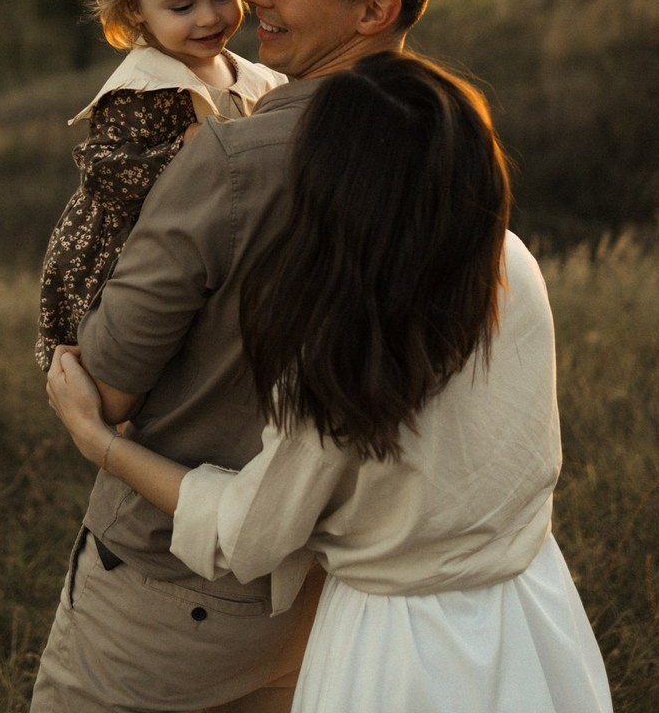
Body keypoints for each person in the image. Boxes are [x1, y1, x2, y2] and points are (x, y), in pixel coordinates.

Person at [48, 52, 613, 712]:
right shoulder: (513, 264)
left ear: (338, 185)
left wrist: (101, 444)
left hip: (398, 646)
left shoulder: (345, 345)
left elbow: (250, 531)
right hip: (532, 610)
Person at [29, 0, 451, 712]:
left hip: (165, 590)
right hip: (315, 589)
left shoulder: (231, 158)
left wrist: (91, 423)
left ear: (374, 10)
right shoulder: (438, 143)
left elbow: (104, 386)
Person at [36, 0, 285, 371]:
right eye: (182, 7)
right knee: (138, 364)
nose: (209, 18)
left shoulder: (252, 76)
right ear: (135, 10)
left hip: (207, 247)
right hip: (129, 260)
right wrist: (182, 152)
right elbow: (103, 171)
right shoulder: (143, 88)